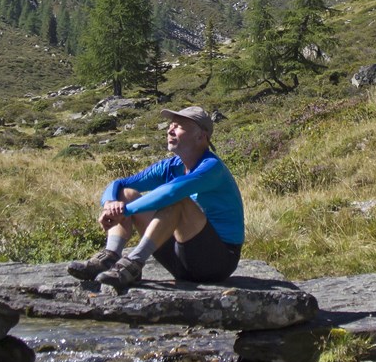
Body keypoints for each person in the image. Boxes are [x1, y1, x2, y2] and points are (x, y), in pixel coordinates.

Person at [67, 104, 244, 291]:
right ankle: (110, 257)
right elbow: (120, 184)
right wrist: (110, 204)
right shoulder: (171, 165)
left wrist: (124, 211)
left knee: (178, 201)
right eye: (171, 125)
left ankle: (134, 262)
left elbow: (171, 193)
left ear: (201, 136)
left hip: (216, 262)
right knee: (126, 193)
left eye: (179, 126)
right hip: (180, 259)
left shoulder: (211, 167)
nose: (170, 129)